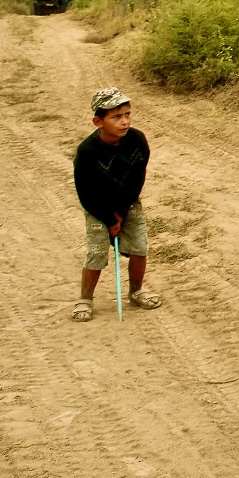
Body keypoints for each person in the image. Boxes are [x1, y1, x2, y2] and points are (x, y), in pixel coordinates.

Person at [71, 88, 161, 321]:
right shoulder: (86, 151)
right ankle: (85, 299)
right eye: (116, 117)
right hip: (97, 207)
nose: (125, 122)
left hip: (128, 202)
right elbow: (85, 193)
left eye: (127, 115)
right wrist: (110, 219)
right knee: (97, 252)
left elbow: (137, 178)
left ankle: (136, 291)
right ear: (98, 121)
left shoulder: (137, 140)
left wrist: (121, 212)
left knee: (140, 247)